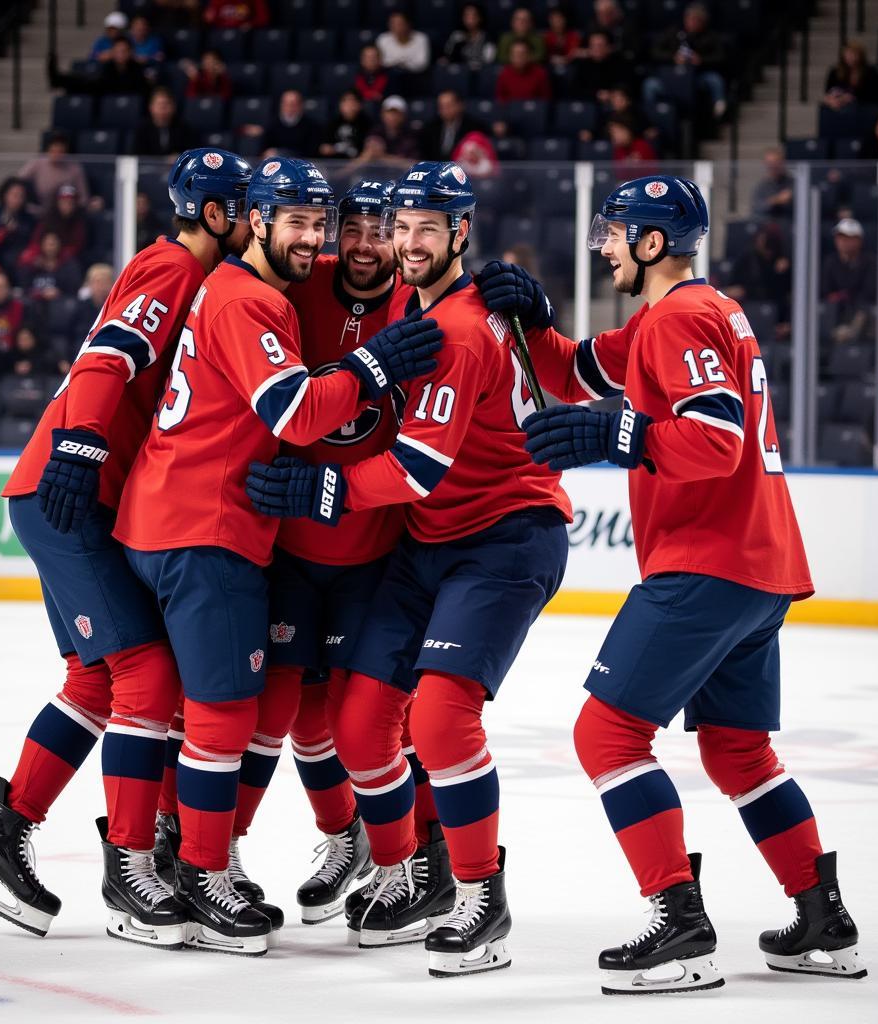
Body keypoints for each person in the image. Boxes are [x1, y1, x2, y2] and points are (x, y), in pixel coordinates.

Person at [503, 174, 864, 994]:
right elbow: (574, 372)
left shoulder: (684, 318)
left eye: (615, 233)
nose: (603, 245)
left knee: (605, 735)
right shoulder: (681, 315)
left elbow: (715, 439)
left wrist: (615, 432)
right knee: (738, 750)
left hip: (709, 560)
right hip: (756, 567)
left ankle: (680, 922)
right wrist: (534, 320)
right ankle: (821, 917)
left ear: (653, 243)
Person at [246, 162, 572, 978]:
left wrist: (323, 487)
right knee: (357, 730)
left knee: (439, 722)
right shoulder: (433, 305)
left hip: (503, 539)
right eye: (402, 228)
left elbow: (418, 468)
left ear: (461, 232)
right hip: (428, 544)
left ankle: (476, 893)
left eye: (429, 228)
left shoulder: (458, 327)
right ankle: (415, 868)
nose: (408, 242)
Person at [112, 158, 442, 955]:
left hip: (207, 522)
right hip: (214, 525)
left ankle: (175, 861)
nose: (325, 239)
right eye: (300, 220)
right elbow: (295, 414)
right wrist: (374, 365)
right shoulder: (257, 298)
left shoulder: (259, 288)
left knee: (316, 720)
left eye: (319, 222)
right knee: (234, 715)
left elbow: (455, 287)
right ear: (254, 220)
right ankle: (197, 869)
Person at [0, 150, 256, 952]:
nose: (256, 225)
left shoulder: (197, 274)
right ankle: (129, 865)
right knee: (145, 673)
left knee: (95, 675)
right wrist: (82, 445)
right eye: (246, 212)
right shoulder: (171, 268)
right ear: (217, 216)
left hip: (77, 490)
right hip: (70, 489)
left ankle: (2, 835)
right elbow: (109, 353)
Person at [221, 180, 433, 926]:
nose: (369, 247)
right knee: (275, 713)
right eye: (356, 231)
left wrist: (515, 296)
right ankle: (228, 853)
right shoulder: (288, 289)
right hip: (286, 549)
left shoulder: (415, 304)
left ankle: (393, 858)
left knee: (362, 719)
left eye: (385, 233)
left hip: (372, 553)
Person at [645, 2, 727, 120]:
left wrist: (701, 59)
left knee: (714, 79)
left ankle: (719, 113)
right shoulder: (673, 32)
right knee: (650, 85)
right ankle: (652, 115)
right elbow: (655, 52)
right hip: (671, 78)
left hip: (696, 77)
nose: (692, 23)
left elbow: (720, 56)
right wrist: (673, 57)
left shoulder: (710, 36)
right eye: (690, 19)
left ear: (703, 22)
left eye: (696, 20)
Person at [724, 223, 792, 338]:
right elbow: (734, 287)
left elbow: (785, 292)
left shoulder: (782, 262)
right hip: (748, 305)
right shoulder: (747, 259)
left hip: (776, 310)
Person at [821, 218, 876, 345]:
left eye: (848, 238)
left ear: (858, 240)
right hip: (836, 311)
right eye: (840, 238)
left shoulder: (869, 262)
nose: (842, 242)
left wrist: (846, 296)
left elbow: (869, 291)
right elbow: (825, 290)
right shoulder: (830, 262)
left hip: (860, 311)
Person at [0, 178, 38, 280]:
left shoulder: (29, 218)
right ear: (5, 194)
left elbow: (33, 239)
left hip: (19, 260)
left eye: (21, 196)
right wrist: (2, 233)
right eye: (14, 195)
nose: (17, 199)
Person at [18, 134, 90, 212]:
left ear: (66, 152)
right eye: (53, 151)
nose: (56, 155)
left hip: (65, 212)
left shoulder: (75, 168)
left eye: (60, 152)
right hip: (38, 209)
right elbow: (18, 180)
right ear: (48, 150)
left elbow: (83, 197)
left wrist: (74, 208)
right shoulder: (37, 162)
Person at [20, 184, 89, 266]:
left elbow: (76, 247)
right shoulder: (47, 220)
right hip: (43, 256)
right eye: (63, 202)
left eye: (70, 203)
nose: (67, 206)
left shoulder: (79, 222)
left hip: (66, 259)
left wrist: (58, 259)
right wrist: (41, 258)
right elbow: (36, 242)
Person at [420, 90, 488, 162]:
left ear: (460, 105)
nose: (445, 110)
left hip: (462, 170)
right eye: (441, 107)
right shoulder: (430, 128)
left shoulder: (473, 127)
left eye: (448, 106)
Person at [19, 232, 84, 307]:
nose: (50, 248)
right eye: (47, 244)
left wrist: (59, 292)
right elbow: (24, 286)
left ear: (59, 245)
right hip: (36, 302)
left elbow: (74, 286)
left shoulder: (68, 264)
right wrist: (40, 293)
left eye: (53, 244)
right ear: (42, 245)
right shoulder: (33, 264)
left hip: (61, 302)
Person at [132, 87, 199, 158]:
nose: (162, 108)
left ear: (173, 107)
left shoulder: (184, 128)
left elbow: (192, 154)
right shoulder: (142, 129)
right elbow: (136, 156)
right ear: (151, 107)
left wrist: (179, 157)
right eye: (159, 105)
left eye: (166, 104)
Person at [822, 41, 878, 109]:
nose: (850, 57)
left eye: (853, 54)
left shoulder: (870, 72)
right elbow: (828, 92)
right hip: (840, 105)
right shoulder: (835, 71)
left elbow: (874, 95)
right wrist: (832, 100)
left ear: (860, 55)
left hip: (864, 106)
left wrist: (849, 98)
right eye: (847, 54)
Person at [257, 90, 321, 157]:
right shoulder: (272, 124)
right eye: (285, 104)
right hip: (277, 164)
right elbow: (262, 150)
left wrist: (283, 153)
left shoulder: (312, 126)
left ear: (300, 106)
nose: (289, 108)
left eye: (292, 104)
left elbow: (311, 153)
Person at [570, 31, 631, 101]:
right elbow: (576, 89)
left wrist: (611, 93)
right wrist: (596, 94)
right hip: (589, 101)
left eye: (600, 45)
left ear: (608, 47)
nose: (596, 49)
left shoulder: (619, 63)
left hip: (614, 100)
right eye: (593, 45)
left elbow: (625, 85)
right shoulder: (583, 65)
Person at [318, 90, 373, 160]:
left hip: (358, 165)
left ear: (360, 105)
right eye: (346, 102)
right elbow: (323, 148)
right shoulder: (333, 123)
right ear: (340, 105)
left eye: (353, 102)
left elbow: (368, 151)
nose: (349, 106)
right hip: (333, 163)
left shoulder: (367, 123)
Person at [442, 3, 496, 71]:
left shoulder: (487, 38)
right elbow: (447, 55)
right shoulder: (456, 35)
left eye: (473, 16)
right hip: (459, 73)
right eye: (466, 16)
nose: (469, 20)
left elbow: (488, 61)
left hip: (479, 73)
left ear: (480, 18)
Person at [377, 11, 431, 76]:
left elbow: (422, 63)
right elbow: (382, 62)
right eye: (392, 23)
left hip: (415, 76)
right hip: (389, 76)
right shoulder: (383, 39)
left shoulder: (421, 38)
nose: (395, 27)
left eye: (399, 24)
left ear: (408, 24)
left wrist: (399, 63)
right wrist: (404, 62)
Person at [751, 147, 794, 221]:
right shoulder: (761, 186)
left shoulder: (793, 183)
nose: (773, 166)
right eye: (769, 163)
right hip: (768, 226)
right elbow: (757, 208)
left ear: (782, 163)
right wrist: (776, 200)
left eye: (776, 163)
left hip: (790, 224)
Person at [203, 0, 270, 29]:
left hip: (244, 35)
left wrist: (251, 24)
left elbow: (263, 18)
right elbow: (210, 18)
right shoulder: (217, 1)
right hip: (221, 32)